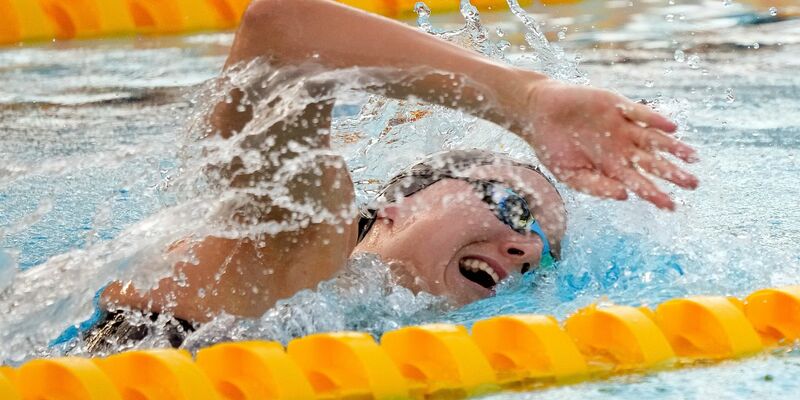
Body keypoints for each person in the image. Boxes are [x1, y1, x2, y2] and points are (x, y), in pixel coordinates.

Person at [79, 0, 698, 352]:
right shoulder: (303, 239)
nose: (529, 246)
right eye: (512, 206)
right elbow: (282, 30)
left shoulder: (366, 320)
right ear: (397, 207)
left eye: (544, 247)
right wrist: (526, 101)